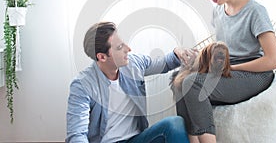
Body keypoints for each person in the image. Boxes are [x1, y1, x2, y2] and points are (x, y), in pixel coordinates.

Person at [174, 0, 276, 143]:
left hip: (255, 75)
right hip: (228, 71)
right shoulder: (218, 11)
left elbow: (274, 61)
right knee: (178, 79)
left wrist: (232, 68)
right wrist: (196, 57)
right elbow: (224, 49)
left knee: (193, 83)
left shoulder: (255, 11)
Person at [66, 21, 197, 143]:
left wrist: (177, 52)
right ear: (102, 57)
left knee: (174, 124)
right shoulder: (82, 85)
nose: (128, 49)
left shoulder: (133, 64)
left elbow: (164, 63)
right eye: (119, 47)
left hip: (136, 139)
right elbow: (77, 134)